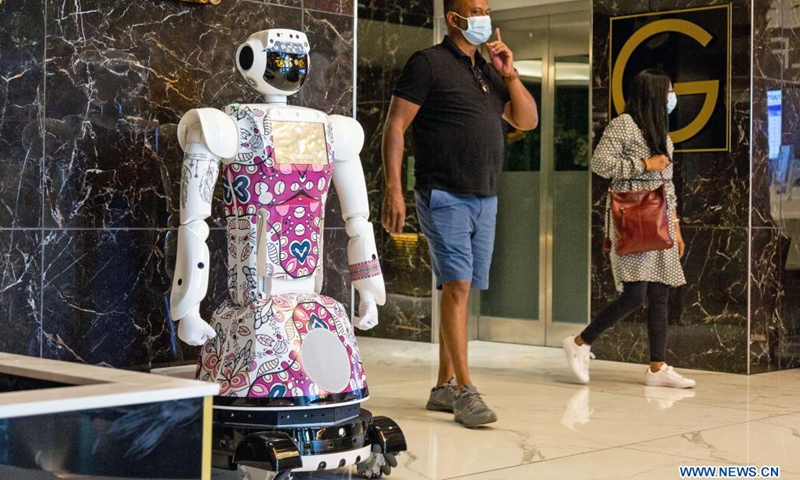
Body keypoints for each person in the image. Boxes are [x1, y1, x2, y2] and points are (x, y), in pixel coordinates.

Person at [381, 0, 538, 428]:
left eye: (487, 9)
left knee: (461, 290)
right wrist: (394, 188)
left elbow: (527, 120)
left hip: (485, 195)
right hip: (443, 192)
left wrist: (509, 73)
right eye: (476, 10)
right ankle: (466, 390)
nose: (484, 17)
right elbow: (396, 126)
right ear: (454, 19)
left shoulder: (487, 71)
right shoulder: (428, 63)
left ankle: (442, 387)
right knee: (458, 285)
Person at [563, 69, 695, 389]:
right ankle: (580, 341)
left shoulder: (662, 135)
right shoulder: (623, 124)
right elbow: (600, 164)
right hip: (632, 218)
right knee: (635, 294)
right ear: (652, 93)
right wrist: (644, 165)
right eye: (668, 91)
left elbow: (668, 184)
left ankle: (657, 367)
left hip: (660, 219)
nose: (672, 97)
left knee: (661, 292)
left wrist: (676, 226)